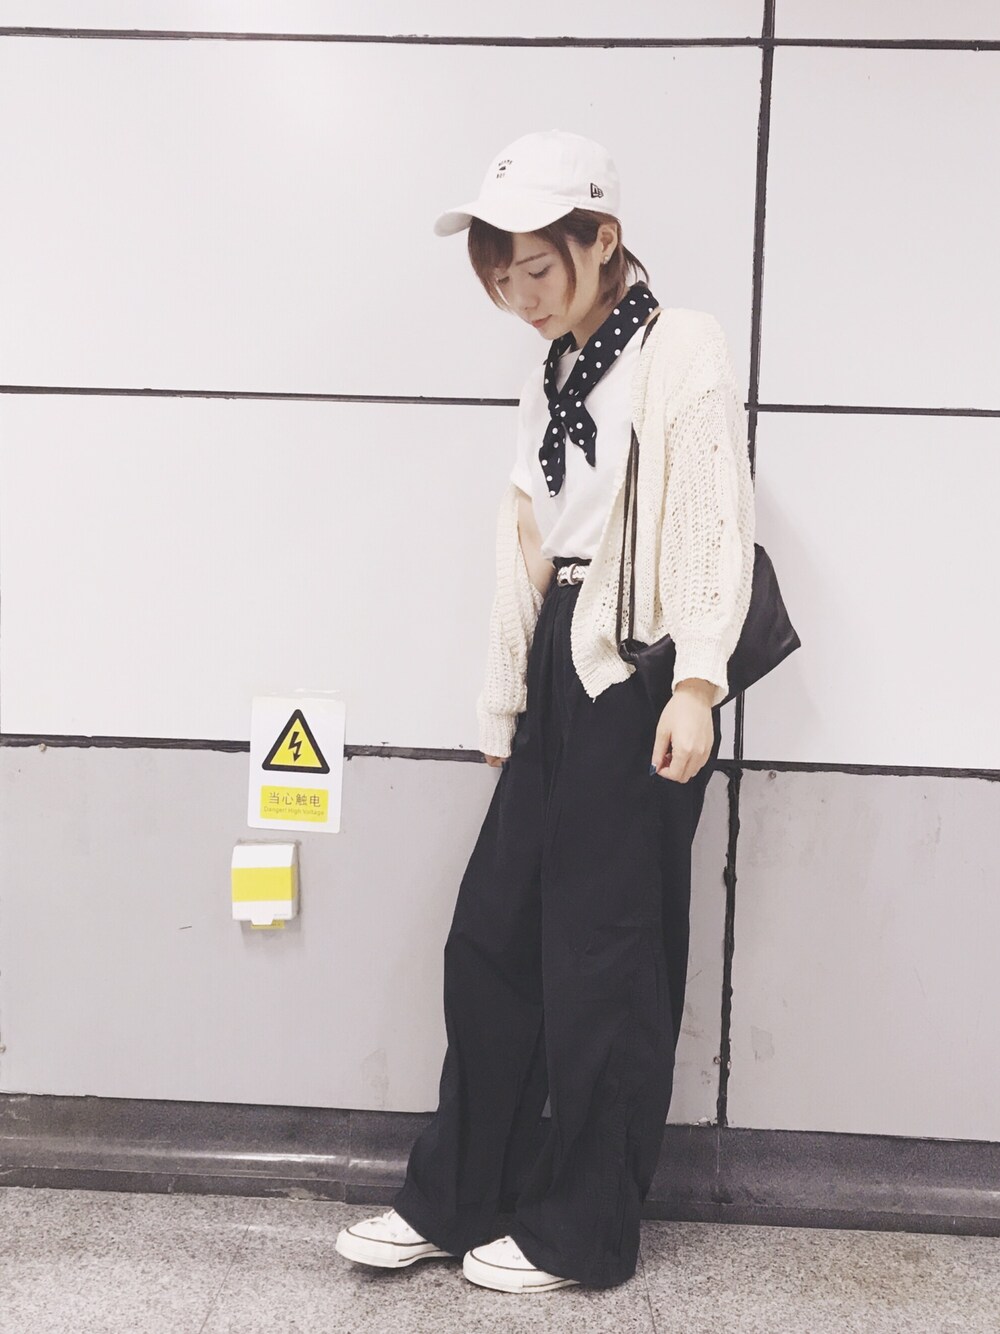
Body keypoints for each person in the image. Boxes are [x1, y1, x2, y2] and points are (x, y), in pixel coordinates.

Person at [335, 128, 756, 1293]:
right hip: (559, 666)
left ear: (601, 238)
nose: (517, 296)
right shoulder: (553, 370)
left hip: (642, 670)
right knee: (493, 934)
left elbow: (714, 514)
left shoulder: (679, 346)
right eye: (499, 276)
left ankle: (583, 1230)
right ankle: (463, 1193)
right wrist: (502, 701)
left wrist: (698, 680)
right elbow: (524, 538)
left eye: (534, 267)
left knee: (605, 958)